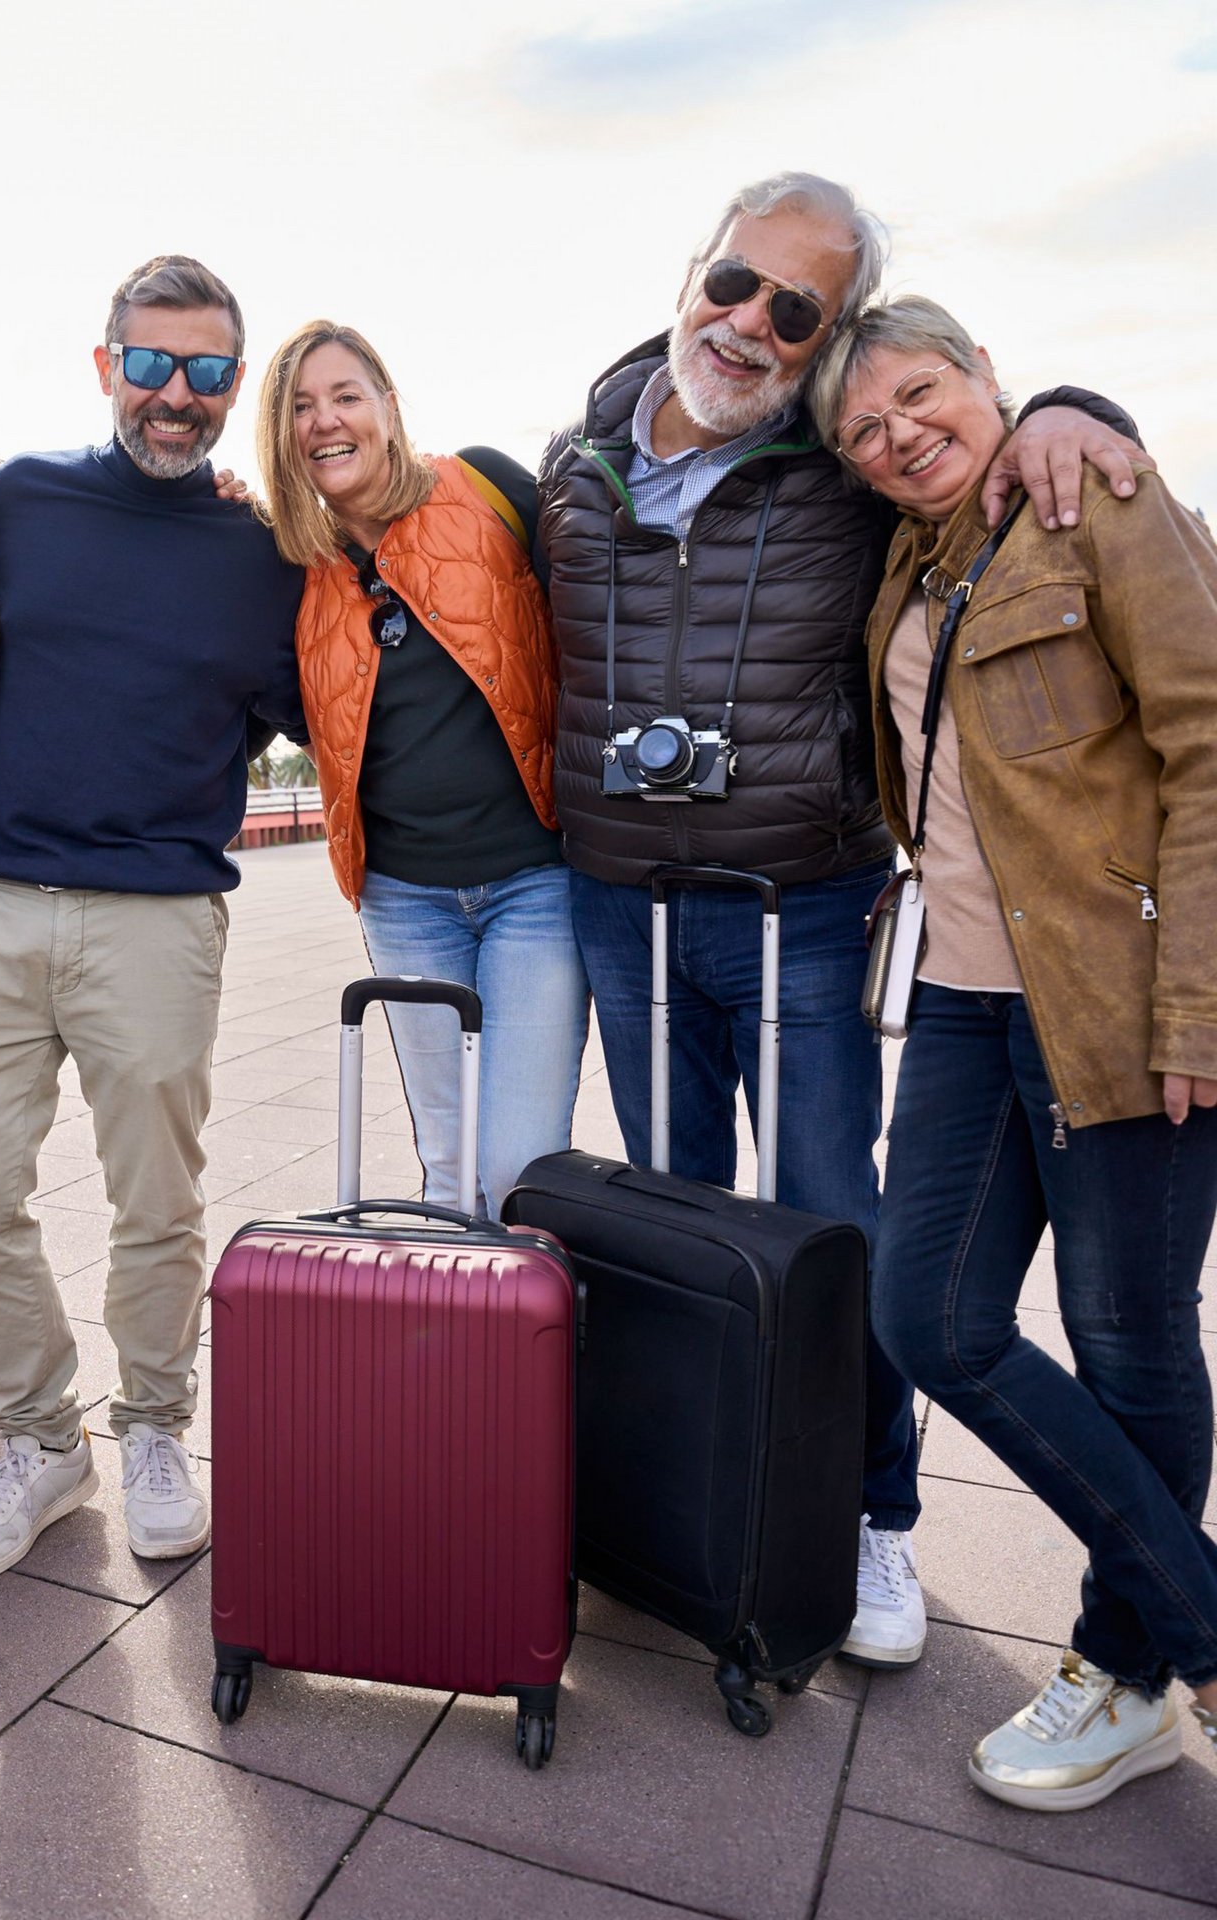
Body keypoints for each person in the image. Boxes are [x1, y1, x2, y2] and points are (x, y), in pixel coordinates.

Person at [535, 171, 1146, 1674]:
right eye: (736, 282)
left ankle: (873, 1515)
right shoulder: (572, 462)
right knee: (666, 1220)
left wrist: (1078, 405)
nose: (750, 322)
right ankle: (690, 1500)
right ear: (696, 267)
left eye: (797, 310)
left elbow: (988, 458)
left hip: (798, 908)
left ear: (831, 337)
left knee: (832, 1222)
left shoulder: (848, 465)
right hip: (622, 906)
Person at [805, 294, 1217, 1807]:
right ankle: (1204, 1628)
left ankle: (1126, 1671)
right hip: (967, 1003)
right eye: (865, 429)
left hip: (1114, 998)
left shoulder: (1096, 498)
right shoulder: (911, 557)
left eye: (922, 394)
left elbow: (1210, 744)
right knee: (928, 1317)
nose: (899, 434)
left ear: (985, 371)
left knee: (1129, 1341)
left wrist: (1197, 1004)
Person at [0, 256, 306, 1585]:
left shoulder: (264, 555)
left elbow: (341, 702)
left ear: (235, 386)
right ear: (104, 366)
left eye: (206, 371)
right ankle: (40, 1438)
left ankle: (152, 1430)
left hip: (159, 919)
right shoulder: (17, 500)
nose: (174, 394)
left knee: (156, 1199)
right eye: (149, 363)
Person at [251, 320, 579, 1217]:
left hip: (536, 887)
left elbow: (592, 613)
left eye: (345, 396)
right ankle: (467, 1309)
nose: (326, 420)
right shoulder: (289, 568)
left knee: (515, 1164)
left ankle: (536, 1297)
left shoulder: (486, 487)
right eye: (301, 407)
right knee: (448, 1166)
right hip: (406, 902)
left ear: (388, 408)